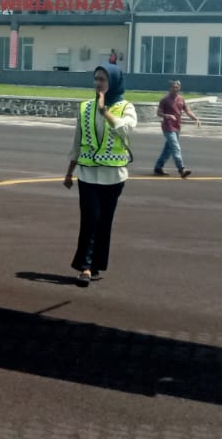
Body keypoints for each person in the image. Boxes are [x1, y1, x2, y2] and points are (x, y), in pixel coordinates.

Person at [62, 63, 137, 287]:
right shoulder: (85, 107)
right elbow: (77, 142)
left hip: (113, 177)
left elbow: (126, 129)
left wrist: (106, 112)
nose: (98, 83)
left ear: (112, 82)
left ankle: (96, 266)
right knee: (89, 220)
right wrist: (69, 173)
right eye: (96, 79)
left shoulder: (126, 107)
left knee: (104, 222)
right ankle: (84, 267)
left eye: (103, 79)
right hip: (87, 175)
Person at [153, 80, 200, 178]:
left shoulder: (181, 99)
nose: (175, 89)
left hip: (177, 127)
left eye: (177, 87)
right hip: (167, 127)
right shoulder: (164, 100)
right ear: (170, 88)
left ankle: (158, 167)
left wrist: (195, 118)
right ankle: (181, 169)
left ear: (179, 88)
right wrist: (167, 115)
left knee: (168, 149)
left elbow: (187, 110)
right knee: (175, 147)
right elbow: (159, 113)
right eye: (173, 87)